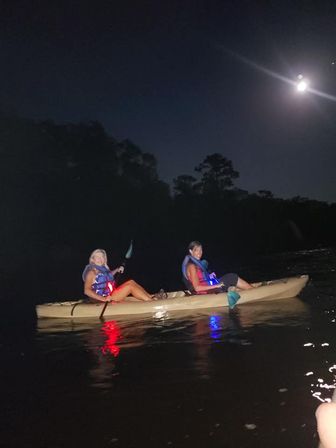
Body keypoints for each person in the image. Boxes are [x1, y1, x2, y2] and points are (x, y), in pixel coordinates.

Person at [83, 248, 156, 302]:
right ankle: (150, 302)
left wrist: (117, 269)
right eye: (97, 257)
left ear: (105, 259)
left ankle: (150, 296)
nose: (100, 259)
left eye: (102, 257)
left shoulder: (102, 270)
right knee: (129, 287)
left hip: (109, 296)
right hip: (100, 300)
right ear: (92, 259)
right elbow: (87, 291)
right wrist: (104, 299)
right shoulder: (91, 272)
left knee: (131, 282)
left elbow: (108, 276)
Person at [182, 240, 253, 294]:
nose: (199, 253)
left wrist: (209, 276)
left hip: (208, 288)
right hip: (205, 292)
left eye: (201, 250)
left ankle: (247, 290)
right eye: (196, 250)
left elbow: (201, 279)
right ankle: (253, 291)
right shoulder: (191, 266)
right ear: (191, 251)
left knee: (228, 278)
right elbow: (197, 288)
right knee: (232, 277)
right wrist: (216, 286)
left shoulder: (195, 265)